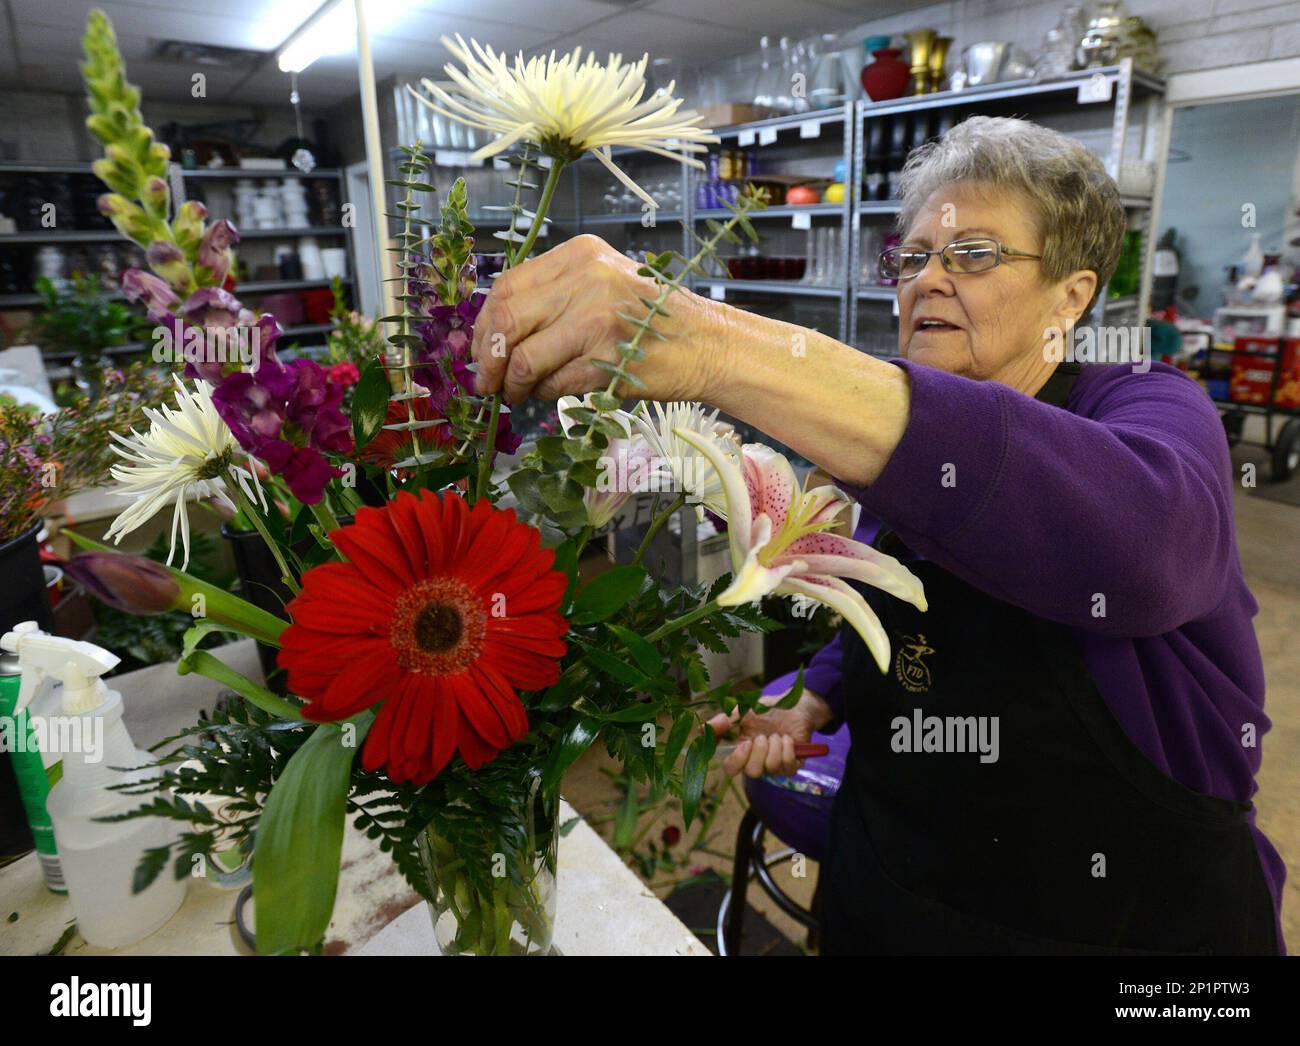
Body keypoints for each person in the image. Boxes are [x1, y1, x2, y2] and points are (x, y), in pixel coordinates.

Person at [468, 116, 1284, 955]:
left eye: (972, 254)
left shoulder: (1151, 406)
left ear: (1071, 296)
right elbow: (887, 590)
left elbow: (1144, 547)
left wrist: (699, 341)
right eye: (914, 256)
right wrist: (818, 694)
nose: (927, 280)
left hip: (1124, 920)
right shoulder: (895, 439)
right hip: (893, 887)